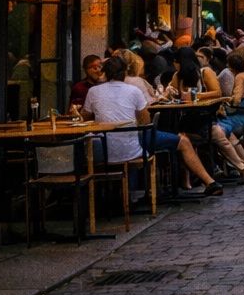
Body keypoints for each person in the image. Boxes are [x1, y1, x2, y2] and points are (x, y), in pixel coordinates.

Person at [83, 58, 223, 197]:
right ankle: (210, 182)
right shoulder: (133, 91)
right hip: (132, 148)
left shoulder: (93, 92)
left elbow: (85, 118)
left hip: (103, 150)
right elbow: (145, 121)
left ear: (105, 73)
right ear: (124, 73)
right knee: (183, 141)